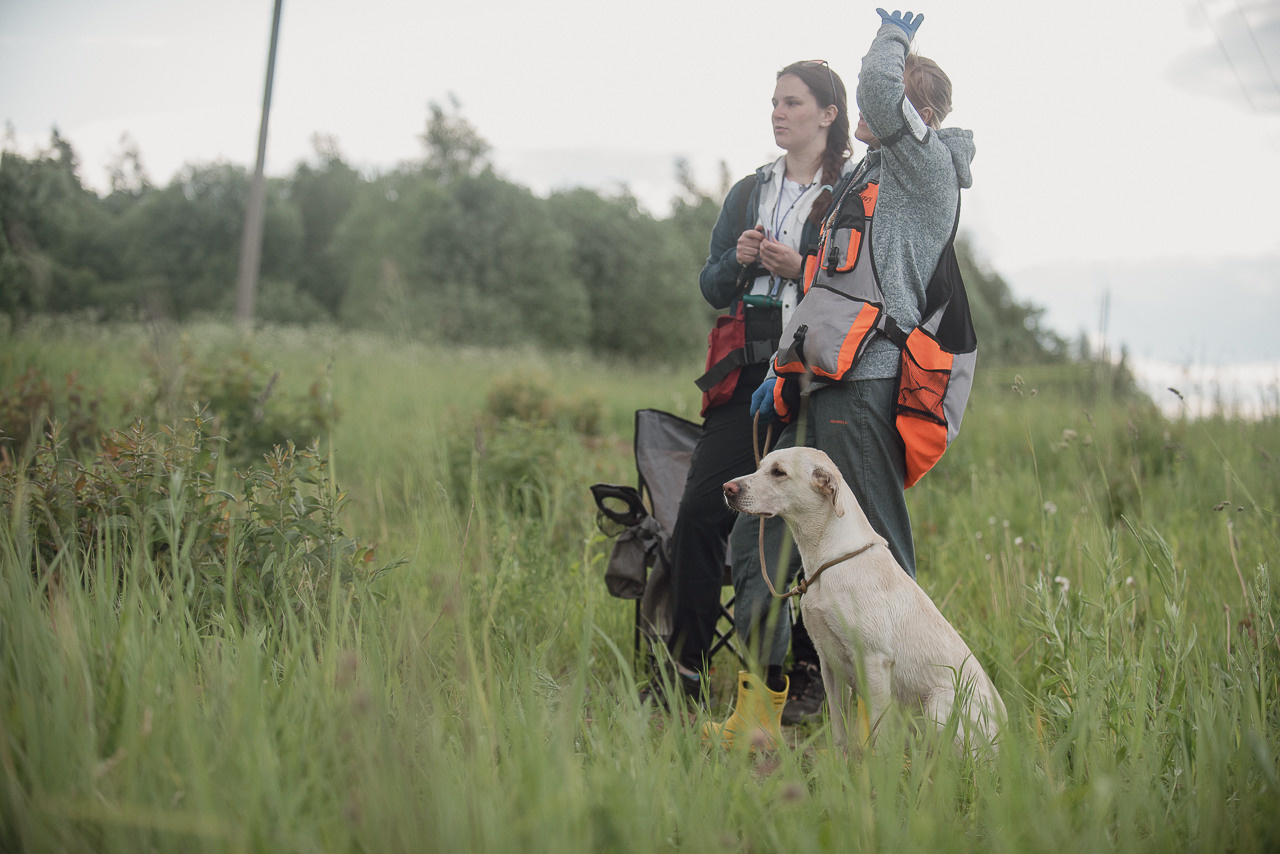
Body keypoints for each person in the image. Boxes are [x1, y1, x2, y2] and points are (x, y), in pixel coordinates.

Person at [705, 9, 976, 749]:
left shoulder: (922, 172)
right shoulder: (867, 177)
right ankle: (794, 708)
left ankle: (895, 727)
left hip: (868, 384)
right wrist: (786, 364)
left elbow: (880, 93)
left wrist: (893, 38)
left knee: (876, 548)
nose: (867, 112)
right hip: (822, 377)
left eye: (889, 99)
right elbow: (832, 290)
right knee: (783, 545)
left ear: (914, 113)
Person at [648, 59, 855, 718]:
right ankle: (680, 673)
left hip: (823, 379)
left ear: (827, 114)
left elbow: (865, 285)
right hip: (748, 376)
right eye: (773, 102)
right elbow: (708, 285)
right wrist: (735, 262)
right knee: (702, 515)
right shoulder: (749, 191)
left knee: (818, 524)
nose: (777, 113)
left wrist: (803, 267)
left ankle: (808, 674)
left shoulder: (853, 192)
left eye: (792, 102)